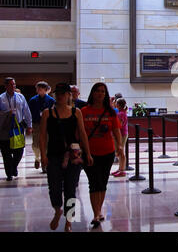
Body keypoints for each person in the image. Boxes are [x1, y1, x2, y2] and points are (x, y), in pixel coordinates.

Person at [39, 83, 93, 232]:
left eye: (64, 93)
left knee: (71, 189)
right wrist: (43, 155)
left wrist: (88, 153)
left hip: (73, 157)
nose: (61, 96)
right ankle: (57, 210)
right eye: (59, 93)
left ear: (69, 95)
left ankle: (69, 220)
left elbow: (82, 134)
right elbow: (42, 136)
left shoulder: (76, 112)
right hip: (54, 156)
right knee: (54, 187)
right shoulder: (47, 113)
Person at [82, 82, 122, 228]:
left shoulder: (111, 112)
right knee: (93, 182)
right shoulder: (84, 111)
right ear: (92, 93)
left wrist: (120, 146)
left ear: (105, 95)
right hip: (89, 153)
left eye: (103, 92)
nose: (100, 94)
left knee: (102, 182)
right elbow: (80, 133)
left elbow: (117, 130)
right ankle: (96, 213)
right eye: (97, 91)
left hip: (107, 152)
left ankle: (98, 211)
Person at [0, 77, 32, 180]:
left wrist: (29, 125)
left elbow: (26, 111)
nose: (13, 86)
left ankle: (13, 166)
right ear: (5, 86)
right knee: (6, 152)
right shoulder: (1, 98)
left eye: (14, 84)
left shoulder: (20, 97)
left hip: (18, 127)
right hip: (5, 129)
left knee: (19, 151)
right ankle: (9, 173)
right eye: (10, 84)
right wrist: (7, 113)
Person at [28, 81, 55, 172]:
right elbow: (29, 113)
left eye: (40, 88)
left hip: (48, 125)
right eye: (37, 88)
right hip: (36, 124)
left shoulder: (51, 101)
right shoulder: (33, 100)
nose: (38, 90)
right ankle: (37, 158)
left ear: (45, 89)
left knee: (46, 144)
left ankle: (45, 163)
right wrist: (29, 125)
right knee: (35, 144)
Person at [111, 98, 128, 178]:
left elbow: (119, 125)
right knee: (120, 152)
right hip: (122, 133)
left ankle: (122, 170)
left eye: (116, 103)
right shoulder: (122, 112)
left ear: (118, 105)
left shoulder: (121, 114)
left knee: (121, 152)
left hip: (121, 134)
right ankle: (120, 168)